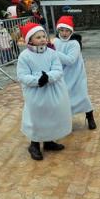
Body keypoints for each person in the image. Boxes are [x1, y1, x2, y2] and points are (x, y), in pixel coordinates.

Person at [16, 22, 72, 160]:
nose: (42, 39)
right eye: (38, 37)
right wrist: (37, 81)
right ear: (30, 40)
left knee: (52, 114)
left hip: (52, 89)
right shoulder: (24, 56)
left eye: (43, 36)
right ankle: (34, 144)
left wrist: (49, 77)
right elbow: (22, 75)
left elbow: (58, 70)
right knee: (37, 116)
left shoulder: (52, 53)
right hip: (36, 93)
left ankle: (48, 141)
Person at [54, 16, 96, 130]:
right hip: (62, 74)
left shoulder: (74, 43)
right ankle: (64, 120)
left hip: (76, 74)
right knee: (63, 98)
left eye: (67, 30)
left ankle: (89, 116)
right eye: (61, 30)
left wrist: (54, 52)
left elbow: (70, 60)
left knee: (81, 95)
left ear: (71, 31)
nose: (64, 33)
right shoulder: (56, 41)